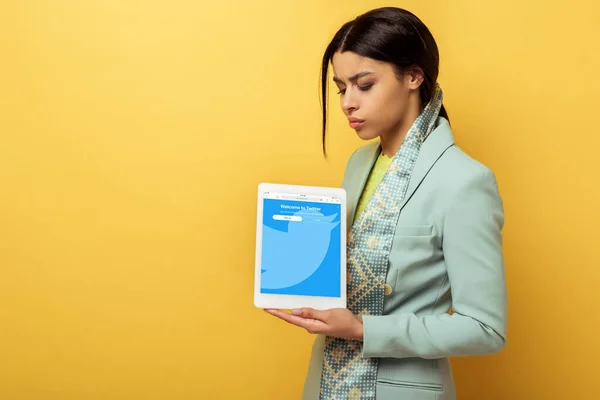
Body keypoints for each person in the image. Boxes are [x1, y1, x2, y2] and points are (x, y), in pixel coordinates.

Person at [265, 7, 507, 400]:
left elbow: (484, 329)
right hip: (327, 382)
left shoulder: (465, 181)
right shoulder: (359, 163)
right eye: (341, 88)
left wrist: (362, 329)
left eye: (364, 84)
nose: (347, 103)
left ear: (414, 76)